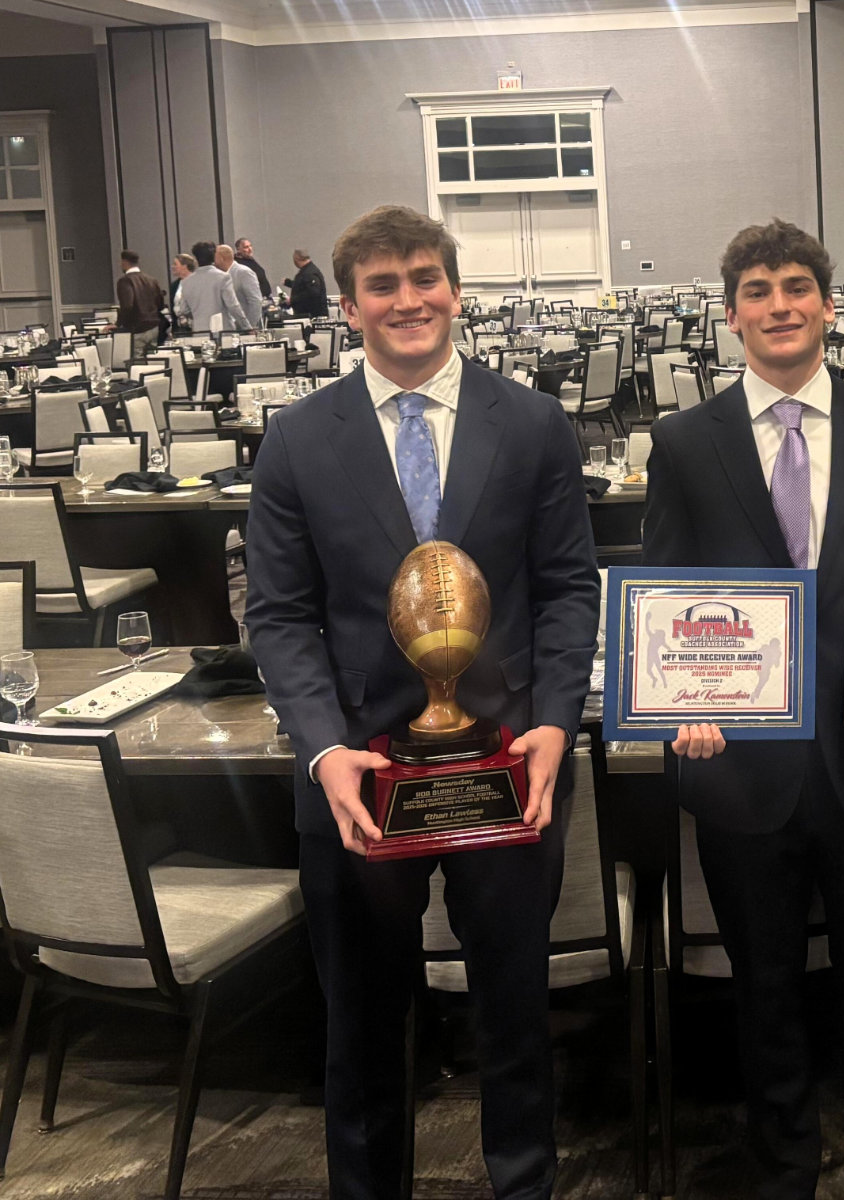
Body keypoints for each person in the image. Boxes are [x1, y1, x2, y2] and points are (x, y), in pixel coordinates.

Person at [244, 204, 598, 1200]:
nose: (408, 300)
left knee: (515, 1021)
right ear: (349, 305)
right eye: (384, 285)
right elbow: (277, 615)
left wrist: (551, 725)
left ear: (454, 287)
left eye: (424, 278)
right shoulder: (297, 440)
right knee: (361, 1032)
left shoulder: (529, 421)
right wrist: (322, 747)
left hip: (507, 767)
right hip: (358, 779)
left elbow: (571, 588)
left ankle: (521, 1184)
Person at [643, 218, 844, 1200]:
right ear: (730, 315)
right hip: (741, 765)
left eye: (796, 287)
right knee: (764, 993)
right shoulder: (685, 442)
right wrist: (677, 699)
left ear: (827, 303)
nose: (780, 306)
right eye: (759, 291)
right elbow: (667, 586)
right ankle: (783, 1175)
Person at [110, 250, 165, 359]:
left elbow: (127, 305)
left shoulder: (125, 281)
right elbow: (160, 304)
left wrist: (118, 324)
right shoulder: (152, 280)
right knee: (154, 361)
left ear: (124, 262)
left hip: (137, 327)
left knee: (137, 362)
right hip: (154, 327)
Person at [174, 240, 232, 333]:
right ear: (213, 256)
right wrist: (246, 327)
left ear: (196, 258)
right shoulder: (223, 277)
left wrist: (197, 314)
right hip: (223, 330)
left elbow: (183, 309)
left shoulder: (186, 281)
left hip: (199, 331)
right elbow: (232, 305)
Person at [218, 243, 264, 331]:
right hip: (231, 327)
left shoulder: (243, 272)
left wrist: (249, 327)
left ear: (221, 258)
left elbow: (256, 301)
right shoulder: (221, 275)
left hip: (245, 328)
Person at [286, 249, 330, 320]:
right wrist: (289, 283)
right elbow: (304, 287)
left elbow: (313, 293)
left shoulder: (309, 273)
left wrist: (293, 300)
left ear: (297, 259)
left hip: (311, 316)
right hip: (308, 315)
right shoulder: (308, 271)